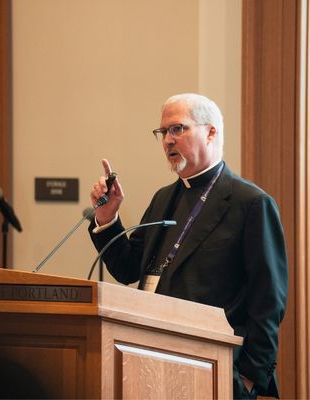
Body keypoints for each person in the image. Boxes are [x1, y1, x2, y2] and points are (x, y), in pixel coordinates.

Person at [89, 93, 288, 399]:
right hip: (149, 356)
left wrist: (249, 377)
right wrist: (108, 218)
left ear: (211, 132)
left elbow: (268, 300)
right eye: (163, 132)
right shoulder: (163, 198)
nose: (168, 140)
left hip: (215, 366)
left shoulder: (251, 203)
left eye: (178, 129)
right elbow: (128, 268)